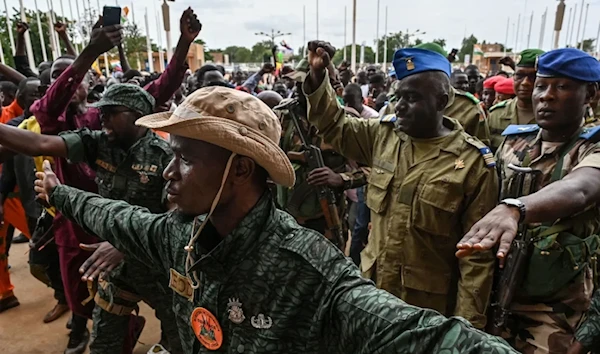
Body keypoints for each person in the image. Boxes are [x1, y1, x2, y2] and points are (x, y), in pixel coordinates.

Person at [34, 84, 518, 354]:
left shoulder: (308, 269)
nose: (167, 172)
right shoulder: (181, 234)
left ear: (240, 167)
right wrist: (62, 193)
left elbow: (421, 334)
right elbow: (119, 217)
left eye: (184, 157)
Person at [28, 9, 199, 353]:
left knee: (175, 324)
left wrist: (183, 43)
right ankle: (81, 326)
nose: (70, 84)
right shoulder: (62, 121)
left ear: (90, 86)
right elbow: (45, 118)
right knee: (79, 288)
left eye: (75, 78)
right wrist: (89, 51)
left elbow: (159, 90)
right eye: (61, 78)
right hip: (77, 223)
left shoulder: (103, 118)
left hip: (139, 235)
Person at [303, 42, 498, 329]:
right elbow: (335, 126)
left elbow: (476, 259)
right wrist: (319, 77)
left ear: (442, 102)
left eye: (413, 98)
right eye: (399, 96)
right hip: (373, 295)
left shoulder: (472, 164)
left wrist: (466, 330)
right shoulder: (384, 136)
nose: (401, 106)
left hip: (425, 314)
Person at [0, 83, 182, 353]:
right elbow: (39, 144)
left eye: (111, 112)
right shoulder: (98, 142)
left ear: (137, 115)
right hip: (113, 268)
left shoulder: (165, 156)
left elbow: (174, 218)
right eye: (101, 112)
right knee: (104, 344)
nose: (102, 118)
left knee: (178, 335)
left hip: (156, 267)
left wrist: (124, 243)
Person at [456, 48, 600, 354]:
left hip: (556, 316)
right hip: (494, 300)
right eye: (541, 86)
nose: (546, 96)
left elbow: (581, 188)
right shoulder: (513, 144)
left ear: (590, 94)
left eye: (562, 87)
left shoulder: (591, 149)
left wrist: (515, 208)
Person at [487, 48, 545, 152]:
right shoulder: (496, 114)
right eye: (520, 76)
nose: (525, 82)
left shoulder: (555, 118)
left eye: (533, 77)